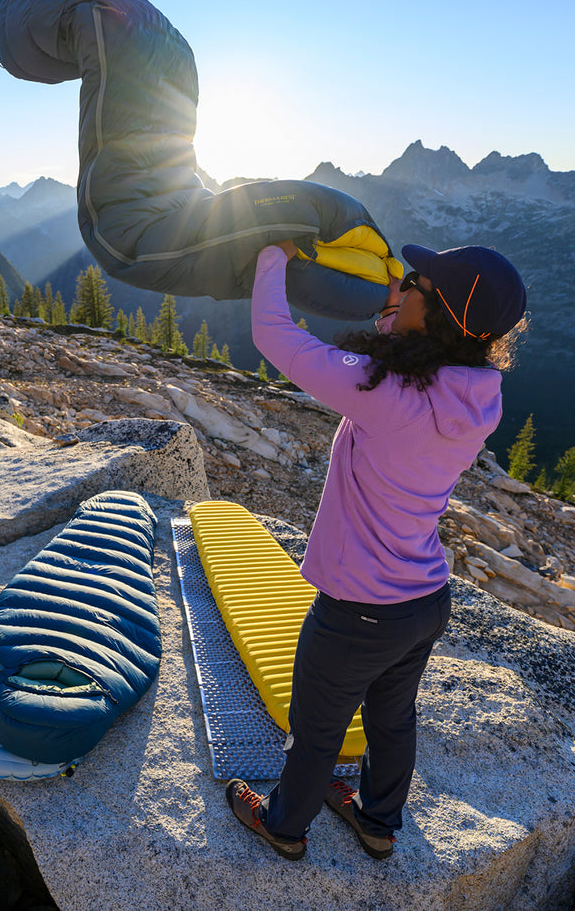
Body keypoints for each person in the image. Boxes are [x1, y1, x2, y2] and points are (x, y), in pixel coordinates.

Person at [223, 239, 528, 862]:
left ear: (436, 314)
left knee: (315, 733)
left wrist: (271, 253)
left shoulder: (388, 397)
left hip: (358, 610)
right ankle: (379, 822)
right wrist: (400, 307)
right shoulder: (476, 393)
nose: (404, 283)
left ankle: (283, 825)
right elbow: (414, 349)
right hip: (423, 600)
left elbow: (274, 334)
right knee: (392, 721)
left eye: (415, 282)